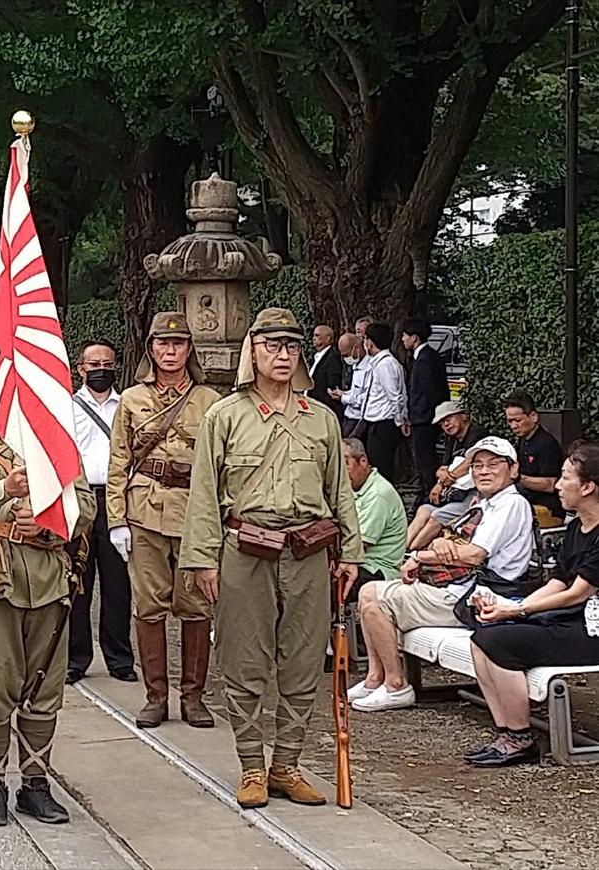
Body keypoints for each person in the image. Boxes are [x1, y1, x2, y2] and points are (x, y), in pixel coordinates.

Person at [181, 308, 362, 809]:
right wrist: (202, 559)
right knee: (243, 661)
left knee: (304, 663)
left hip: (308, 552)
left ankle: (287, 764)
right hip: (245, 551)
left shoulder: (321, 419)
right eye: (272, 345)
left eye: (291, 347)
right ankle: (252, 767)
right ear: (253, 351)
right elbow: (203, 493)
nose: (283, 355)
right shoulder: (225, 415)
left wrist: (351, 550)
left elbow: (339, 492)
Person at [0, 350, 95, 826]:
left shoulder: (55, 442)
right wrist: (2, 492)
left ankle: (35, 783)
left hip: (48, 577)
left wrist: (46, 526)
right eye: (1, 381)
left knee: (45, 688)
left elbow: (84, 505)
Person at [352, 436, 534, 712]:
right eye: (477, 465)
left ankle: (395, 684)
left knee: (374, 595)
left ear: (513, 469)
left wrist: (421, 557)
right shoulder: (484, 503)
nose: (483, 471)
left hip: (478, 600)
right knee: (371, 592)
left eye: (493, 464)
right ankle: (376, 678)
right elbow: (455, 544)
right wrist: (436, 549)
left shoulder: (511, 504)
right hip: (458, 590)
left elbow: (474, 554)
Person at [107, 313, 221, 729]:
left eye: (178, 344)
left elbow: (220, 465)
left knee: (195, 606)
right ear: (150, 349)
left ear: (189, 349)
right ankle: (156, 696)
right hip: (145, 511)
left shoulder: (209, 400)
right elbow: (118, 461)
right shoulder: (132, 400)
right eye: (162, 344)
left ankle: (194, 697)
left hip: (194, 512)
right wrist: (115, 518)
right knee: (150, 606)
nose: (170, 352)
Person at [465, 440, 599, 767]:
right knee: (485, 633)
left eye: (566, 477)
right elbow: (557, 581)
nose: (557, 485)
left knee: (500, 641)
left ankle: (521, 738)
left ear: (588, 486)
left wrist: (518, 610)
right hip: (571, 620)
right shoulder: (577, 529)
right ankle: (507, 732)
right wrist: (511, 608)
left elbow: (577, 592)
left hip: (591, 630)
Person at [67, 340, 135, 684]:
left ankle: (120, 658)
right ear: (81, 368)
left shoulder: (128, 405)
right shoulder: (67, 407)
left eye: (107, 364)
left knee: (118, 583)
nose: (101, 370)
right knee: (78, 581)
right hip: (79, 498)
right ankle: (76, 658)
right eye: (94, 364)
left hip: (117, 498)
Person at [406, 401, 487, 549]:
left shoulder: (477, 434)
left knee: (437, 517)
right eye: (442, 423)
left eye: (449, 418)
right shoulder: (452, 439)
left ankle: (412, 552)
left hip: (473, 495)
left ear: (463, 416)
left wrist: (444, 481)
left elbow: (469, 463)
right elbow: (443, 469)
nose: (446, 425)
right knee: (423, 510)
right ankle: (401, 549)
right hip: (454, 492)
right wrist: (440, 482)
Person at [344, 438, 408, 593]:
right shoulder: (355, 487)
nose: (341, 471)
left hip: (377, 568)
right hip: (361, 560)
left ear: (363, 461)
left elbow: (359, 544)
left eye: (346, 463)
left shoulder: (378, 494)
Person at [401, 318, 451, 506]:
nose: (402, 340)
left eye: (405, 336)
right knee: (423, 459)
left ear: (414, 338)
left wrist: (432, 416)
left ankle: (428, 494)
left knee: (426, 460)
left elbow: (432, 391)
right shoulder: (426, 357)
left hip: (425, 419)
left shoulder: (426, 360)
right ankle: (424, 492)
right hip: (422, 417)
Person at [352, 321, 407, 479]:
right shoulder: (379, 363)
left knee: (381, 467)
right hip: (374, 422)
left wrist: (400, 421)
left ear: (370, 342)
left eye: (366, 339)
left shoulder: (385, 365)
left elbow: (395, 396)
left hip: (383, 423)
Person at [504, 391, 565, 524]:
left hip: (548, 510)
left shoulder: (547, 444)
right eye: (510, 421)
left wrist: (517, 477)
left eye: (518, 420)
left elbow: (550, 484)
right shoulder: (521, 441)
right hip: (525, 501)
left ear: (533, 416)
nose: (513, 426)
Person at [331, 332, 369, 437]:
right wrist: (343, 393)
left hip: (359, 420)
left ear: (356, 348)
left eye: (346, 355)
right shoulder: (356, 364)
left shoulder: (370, 367)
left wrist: (344, 398)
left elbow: (366, 398)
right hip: (349, 416)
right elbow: (356, 391)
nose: (345, 359)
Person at [306, 325, 344, 417]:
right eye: (314, 336)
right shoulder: (317, 357)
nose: (314, 338)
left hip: (323, 409)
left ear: (327, 339)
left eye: (317, 335)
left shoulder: (332, 357)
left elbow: (333, 384)